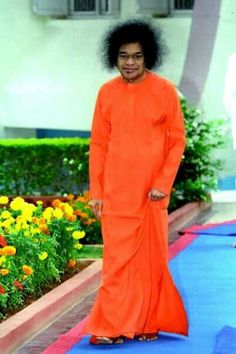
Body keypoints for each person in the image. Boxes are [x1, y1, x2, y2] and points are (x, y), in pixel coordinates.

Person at [83, 19, 189, 345]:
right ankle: (109, 326)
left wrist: (163, 183)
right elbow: (99, 145)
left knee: (149, 262)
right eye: (123, 56)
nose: (130, 62)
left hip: (151, 196)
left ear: (148, 57)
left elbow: (177, 142)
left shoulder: (164, 91)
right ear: (114, 58)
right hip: (116, 194)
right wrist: (97, 192)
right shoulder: (106, 93)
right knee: (115, 263)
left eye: (137, 56)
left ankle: (146, 322)